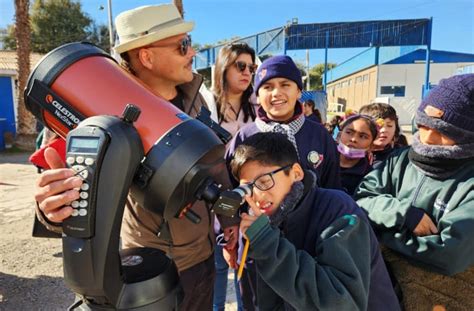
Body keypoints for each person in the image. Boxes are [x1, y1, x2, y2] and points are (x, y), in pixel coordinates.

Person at [33, 4, 238, 310]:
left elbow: (216, 171)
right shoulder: (92, 112)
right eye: (182, 46)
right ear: (146, 56)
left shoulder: (197, 103)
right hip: (148, 272)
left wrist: (230, 220)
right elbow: (58, 186)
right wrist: (50, 208)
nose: (192, 53)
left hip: (203, 261)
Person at [232, 132, 399, 310]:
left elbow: (341, 303)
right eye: (247, 188)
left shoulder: (339, 210)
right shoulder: (260, 221)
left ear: (296, 173)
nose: (256, 195)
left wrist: (268, 244)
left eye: (264, 182)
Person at [354, 74, 474, 309]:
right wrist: (403, 214)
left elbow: (448, 255)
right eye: (422, 125)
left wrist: (380, 236)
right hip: (381, 290)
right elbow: (361, 198)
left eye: (442, 130)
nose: (427, 138)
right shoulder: (399, 160)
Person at [226, 55, 341, 190]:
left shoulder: (319, 135)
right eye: (267, 87)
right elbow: (231, 188)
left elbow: (332, 187)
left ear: (299, 92)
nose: (276, 93)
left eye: (285, 85)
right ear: (257, 96)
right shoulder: (244, 137)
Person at [210, 42, 258, 311]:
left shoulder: (256, 106)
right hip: (213, 193)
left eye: (251, 67)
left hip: (248, 195)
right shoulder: (206, 105)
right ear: (223, 67)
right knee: (217, 265)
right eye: (240, 66)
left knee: (244, 267)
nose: (247, 73)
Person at [336, 115, 378, 195]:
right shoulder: (323, 162)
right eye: (349, 132)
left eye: (362, 136)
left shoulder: (370, 178)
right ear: (339, 136)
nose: (353, 139)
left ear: (371, 146)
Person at [358, 103, 406, 168]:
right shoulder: (349, 155)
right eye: (378, 125)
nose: (384, 130)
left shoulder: (401, 157)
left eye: (389, 125)